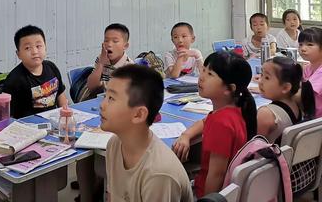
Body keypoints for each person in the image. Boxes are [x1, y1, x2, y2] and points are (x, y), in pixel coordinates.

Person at [101, 64, 193, 202]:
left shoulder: (159, 173)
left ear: (139, 114)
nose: (102, 105)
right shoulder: (114, 144)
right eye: (105, 96)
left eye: (111, 99)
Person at [172, 51, 256, 198]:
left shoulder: (221, 123)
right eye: (203, 70)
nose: (202, 77)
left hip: (210, 194)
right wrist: (186, 135)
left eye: (210, 74)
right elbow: (205, 122)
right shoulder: (234, 110)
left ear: (229, 88)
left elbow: (217, 175)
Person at [3, 25, 68, 119]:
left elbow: (60, 95)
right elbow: (8, 116)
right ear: (18, 54)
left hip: (54, 122)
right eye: (27, 48)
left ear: (45, 48)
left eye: (38, 46)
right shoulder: (14, 79)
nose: (34, 51)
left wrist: (66, 116)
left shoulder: (51, 67)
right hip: (28, 128)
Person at [257, 56, 315, 143]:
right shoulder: (296, 106)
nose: (260, 81)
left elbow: (253, 147)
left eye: (267, 78)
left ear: (285, 87)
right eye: (262, 75)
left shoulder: (266, 113)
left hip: (269, 156)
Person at [85, 23, 133, 95]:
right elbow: (91, 86)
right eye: (106, 40)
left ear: (125, 46)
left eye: (115, 41)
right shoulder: (101, 58)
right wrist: (101, 63)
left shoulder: (129, 67)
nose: (109, 45)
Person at [298, 27, 322, 118]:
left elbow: (303, 94)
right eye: (300, 44)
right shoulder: (308, 67)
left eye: (310, 44)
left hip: (317, 123)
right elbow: (298, 85)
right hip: (308, 114)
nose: (303, 48)